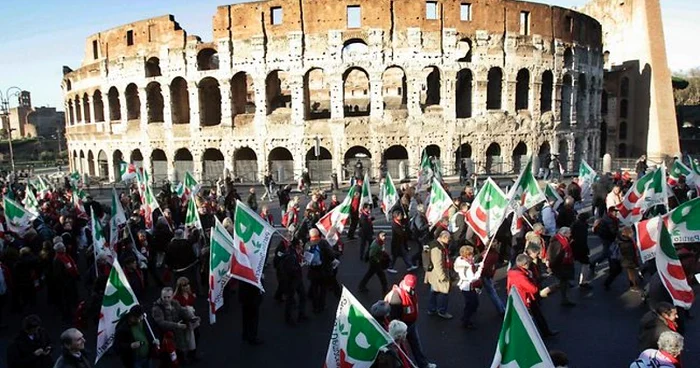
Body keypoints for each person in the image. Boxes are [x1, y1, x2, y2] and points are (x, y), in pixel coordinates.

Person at [384, 274, 437, 368]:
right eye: (408, 286)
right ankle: (407, 365)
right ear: (404, 283)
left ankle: (423, 364)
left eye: (411, 287)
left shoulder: (409, 291)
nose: (409, 289)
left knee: (416, 345)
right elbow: (394, 316)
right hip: (401, 327)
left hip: (410, 324)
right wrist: (400, 331)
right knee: (402, 350)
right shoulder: (396, 296)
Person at [507, 254, 558, 338]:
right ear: (525, 264)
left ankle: (545, 332)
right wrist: (533, 279)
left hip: (523, 299)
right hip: (526, 300)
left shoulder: (513, 273)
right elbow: (533, 289)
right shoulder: (520, 276)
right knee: (532, 319)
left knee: (537, 316)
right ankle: (536, 336)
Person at [152, 287, 198, 361]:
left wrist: (191, 317)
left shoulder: (174, 303)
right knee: (169, 358)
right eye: (164, 297)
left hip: (176, 333)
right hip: (166, 336)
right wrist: (177, 325)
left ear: (172, 296)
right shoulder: (157, 308)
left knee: (179, 351)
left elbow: (181, 311)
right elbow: (161, 323)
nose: (166, 299)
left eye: (168, 297)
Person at [425, 230, 452, 319]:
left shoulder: (434, 244)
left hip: (432, 273)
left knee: (434, 291)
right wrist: (443, 276)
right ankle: (442, 311)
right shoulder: (437, 249)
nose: (449, 240)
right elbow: (438, 264)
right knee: (445, 292)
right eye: (448, 238)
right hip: (437, 274)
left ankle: (431, 309)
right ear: (443, 237)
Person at [279, 238, 307, 325]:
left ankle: (301, 314)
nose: (302, 244)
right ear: (297, 245)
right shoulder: (290, 255)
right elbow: (290, 269)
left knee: (303, 296)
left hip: (297, 279)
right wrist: (300, 266)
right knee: (290, 300)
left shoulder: (294, 252)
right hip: (291, 281)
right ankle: (288, 319)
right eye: (301, 243)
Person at [604, 226, 640, 292]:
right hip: (626, 260)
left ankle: (607, 282)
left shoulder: (620, 239)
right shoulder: (627, 243)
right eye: (631, 233)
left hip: (618, 258)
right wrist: (635, 263)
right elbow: (630, 255)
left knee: (616, 271)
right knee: (631, 272)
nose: (632, 234)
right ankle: (633, 286)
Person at [453, 245, 481, 329]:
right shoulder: (466, 266)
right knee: (470, 304)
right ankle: (466, 321)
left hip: (466, 286)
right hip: (467, 286)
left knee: (473, 302)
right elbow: (472, 278)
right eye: (471, 254)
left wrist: (477, 264)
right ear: (466, 255)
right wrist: (480, 269)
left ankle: (467, 317)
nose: (472, 256)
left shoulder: (461, 261)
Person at [547, 227, 576, 306]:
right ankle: (563, 299)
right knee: (562, 282)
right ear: (564, 233)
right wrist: (551, 266)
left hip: (563, 265)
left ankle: (564, 298)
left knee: (563, 282)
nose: (570, 234)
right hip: (561, 266)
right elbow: (556, 256)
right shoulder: (558, 242)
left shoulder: (562, 240)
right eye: (569, 233)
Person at [570, 212, 592, 288]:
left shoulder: (575, 224)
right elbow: (583, 240)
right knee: (585, 264)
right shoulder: (583, 227)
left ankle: (569, 280)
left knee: (571, 263)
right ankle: (583, 282)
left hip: (573, 247)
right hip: (581, 249)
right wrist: (586, 249)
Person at [239, 280, 264, 345]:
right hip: (253, 294)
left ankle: (246, 334)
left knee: (246, 314)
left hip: (245, 293)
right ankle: (252, 337)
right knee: (253, 316)